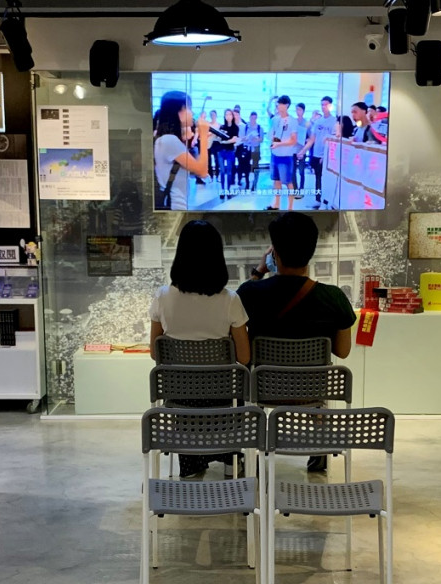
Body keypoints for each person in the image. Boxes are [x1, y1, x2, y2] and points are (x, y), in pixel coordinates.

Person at [238, 213, 357, 472]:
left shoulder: (250, 293)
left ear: (275, 254)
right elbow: (343, 351)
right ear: (311, 252)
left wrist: (259, 272)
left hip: (265, 388)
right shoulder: (333, 297)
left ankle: (252, 451)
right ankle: (319, 450)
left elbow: (236, 314)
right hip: (311, 390)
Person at [149, 221, 251, 478]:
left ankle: (191, 463)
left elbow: (154, 352)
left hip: (181, 396)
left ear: (180, 256)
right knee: (232, 393)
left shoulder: (162, 297)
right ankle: (231, 461)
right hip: (222, 396)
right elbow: (244, 357)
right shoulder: (230, 300)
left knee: (188, 396)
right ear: (217, 257)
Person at [153, 91, 210, 212]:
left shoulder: (166, 139)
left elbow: (196, 170)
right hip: (175, 206)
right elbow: (203, 171)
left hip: (176, 204)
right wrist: (204, 136)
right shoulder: (170, 140)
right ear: (179, 111)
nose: (192, 112)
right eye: (189, 108)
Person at [303, 96, 336, 210]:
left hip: (327, 156)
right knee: (317, 177)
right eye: (322, 104)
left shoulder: (334, 121)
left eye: (326, 104)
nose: (323, 107)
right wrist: (303, 151)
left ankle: (326, 201)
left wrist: (326, 156)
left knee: (326, 179)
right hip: (316, 154)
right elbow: (312, 139)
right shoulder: (318, 122)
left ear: (330, 105)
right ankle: (318, 199)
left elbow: (334, 141)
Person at [267, 95, 299, 212]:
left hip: (286, 156)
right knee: (276, 180)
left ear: (286, 106)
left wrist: (279, 144)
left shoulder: (292, 121)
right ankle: (276, 204)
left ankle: (290, 207)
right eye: (278, 104)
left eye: (280, 104)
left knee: (288, 182)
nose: (278, 106)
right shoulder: (275, 119)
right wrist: (272, 142)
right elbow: (272, 134)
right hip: (275, 154)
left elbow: (293, 140)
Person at [215, 109, 242, 201]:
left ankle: (229, 190)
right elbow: (218, 139)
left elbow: (234, 139)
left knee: (230, 172)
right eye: (226, 114)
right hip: (221, 151)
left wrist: (224, 141)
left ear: (232, 116)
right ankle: (223, 190)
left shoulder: (235, 128)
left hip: (230, 151)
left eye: (230, 114)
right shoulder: (222, 127)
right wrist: (220, 139)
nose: (228, 116)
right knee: (222, 172)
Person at [238, 112, 263, 193]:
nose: (253, 120)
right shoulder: (245, 127)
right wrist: (246, 138)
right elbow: (241, 138)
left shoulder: (259, 128)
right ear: (249, 118)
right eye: (252, 118)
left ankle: (254, 184)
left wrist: (257, 139)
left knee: (255, 166)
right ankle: (247, 183)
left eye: (255, 118)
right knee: (246, 167)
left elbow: (261, 139)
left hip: (256, 149)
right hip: (247, 149)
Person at [291, 102, 311, 198]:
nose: (297, 111)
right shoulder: (293, 121)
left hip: (302, 150)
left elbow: (310, 138)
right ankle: (295, 190)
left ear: (303, 111)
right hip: (293, 150)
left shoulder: (306, 123)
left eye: (299, 109)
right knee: (292, 171)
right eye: (296, 109)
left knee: (301, 171)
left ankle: (301, 189)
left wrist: (304, 140)